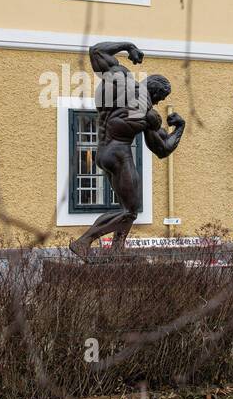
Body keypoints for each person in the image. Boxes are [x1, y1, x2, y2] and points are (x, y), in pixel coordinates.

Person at [68, 41, 186, 259]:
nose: (159, 102)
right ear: (158, 95)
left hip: (102, 152)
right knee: (130, 210)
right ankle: (84, 241)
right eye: (161, 99)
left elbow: (96, 51)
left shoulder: (121, 79)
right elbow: (162, 149)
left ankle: (117, 249)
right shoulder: (149, 115)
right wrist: (180, 127)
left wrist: (128, 47)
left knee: (126, 207)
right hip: (119, 153)